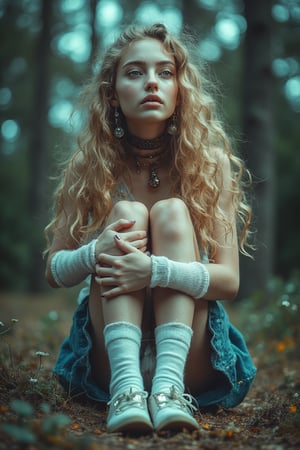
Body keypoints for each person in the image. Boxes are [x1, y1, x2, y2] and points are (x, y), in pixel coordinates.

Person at [44, 23, 256, 434]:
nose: (152, 84)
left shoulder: (209, 166)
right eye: (135, 72)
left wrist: (154, 271)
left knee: (172, 213)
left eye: (165, 72)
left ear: (180, 90)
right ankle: (126, 390)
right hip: (109, 355)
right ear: (112, 92)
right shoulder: (89, 167)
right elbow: (53, 269)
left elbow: (229, 281)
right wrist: (94, 251)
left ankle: (169, 391)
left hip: (188, 356)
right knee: (128, 211)